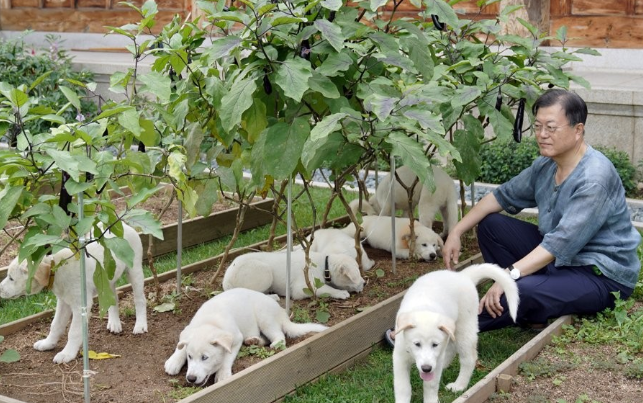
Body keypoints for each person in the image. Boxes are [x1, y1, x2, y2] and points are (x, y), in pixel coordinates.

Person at [440, 88, 641, 332]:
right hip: (560, 261)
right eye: (537, 126)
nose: (542, 135)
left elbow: (559, 244)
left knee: (520, 290)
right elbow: (501, 196)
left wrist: (508, 276)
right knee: (492, 226)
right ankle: (536, 306)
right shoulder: (546, 165)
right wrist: (456, 232)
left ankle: (440, 328)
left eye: (551, 127)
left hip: (599, 275)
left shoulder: (594, 178)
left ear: (578, 130)